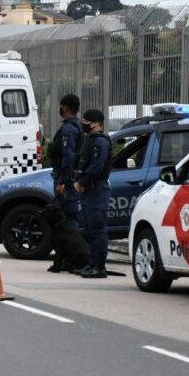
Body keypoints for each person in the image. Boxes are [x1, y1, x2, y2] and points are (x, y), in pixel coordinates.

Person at [73, 109, 112, 279]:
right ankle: (91, 264)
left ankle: (99, 267)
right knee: (90, 229)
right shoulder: (90, 140)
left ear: (96, 123)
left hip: (97, 190)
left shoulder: (100, 142)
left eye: (86, 121)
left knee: (97, 229)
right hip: (89, 191)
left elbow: (96, 166)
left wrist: (81, 182)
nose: (83, 124)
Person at [48, 94, 83, 233]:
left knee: (67, 217)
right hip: (71, 178)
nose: (60, 109)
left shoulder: (69, 129)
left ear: (66, 107)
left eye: (61, 106)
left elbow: (68, 156)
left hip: (67, 181)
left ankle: (69, 245)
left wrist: (61, 182)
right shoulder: (77, 125)